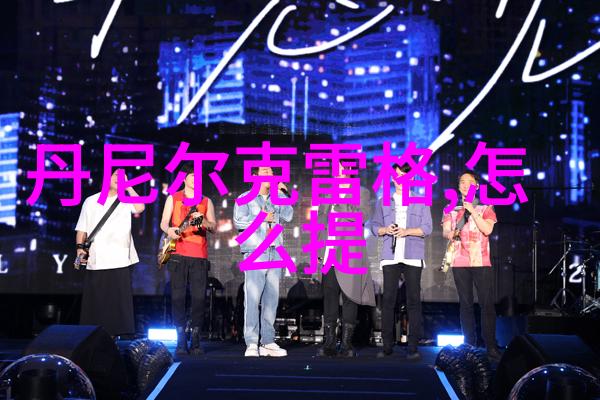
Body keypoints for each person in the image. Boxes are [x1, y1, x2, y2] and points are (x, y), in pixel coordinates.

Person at [370, 163, 432, 360]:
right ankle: (387, 346)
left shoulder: (421, 201)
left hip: (413, 255)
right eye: (396, 175)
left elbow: (427, 228)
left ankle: (412, 347)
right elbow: (374, 226)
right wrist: (385, 230)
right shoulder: (383, 201)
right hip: (390, 255)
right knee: (388, 300)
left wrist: (406, 232)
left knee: (413, 301)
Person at [75, 169, 145, 337]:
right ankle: (94, 337)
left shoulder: (126, 200)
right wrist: (79, 249)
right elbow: (82, 228)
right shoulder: (91, 201)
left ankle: (113, 337)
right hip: (97, 258)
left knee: (117, 303)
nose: (119, 179)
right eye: (115, 175)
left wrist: (128, 187)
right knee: (97, 303)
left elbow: (140, 207)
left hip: (120, 258)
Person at [233, 166, 293, 357]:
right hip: (255, 252)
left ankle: (267, 341)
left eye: (272, 173)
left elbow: (288, 215)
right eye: (265, 172)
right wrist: (261, 217)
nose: (270, 175)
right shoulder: (245, 197)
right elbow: (238, 221)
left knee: (271, 300)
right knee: (252, 298)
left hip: (275, 250)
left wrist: (283, 193)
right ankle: (251, 342)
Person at [442, 171, 501, 360]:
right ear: (458, 186)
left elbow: (487, 229)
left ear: (477, 186)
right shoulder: (451, 208)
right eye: (462, 182)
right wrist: (450, 233)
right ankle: (469, 346)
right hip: (459, 260)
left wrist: (473, 211)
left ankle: (490, 346)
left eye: (469, 182)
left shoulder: (486, 207)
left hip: (481, 261)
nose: (465, 185)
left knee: (486, 304)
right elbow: (445, 232)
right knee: (465, 304)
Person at [317, 167, 376, 358]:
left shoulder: (361, 192)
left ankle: (346, 344)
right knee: (330, 297)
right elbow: (320, 223)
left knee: (350, 298)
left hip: (350, 253)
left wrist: (342, 206)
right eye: (337, 169)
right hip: (329, 253)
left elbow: (363, 216)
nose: (338, 172)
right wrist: (319, 252)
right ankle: (329, 343)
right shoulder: (327, 193)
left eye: (343, 169)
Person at [160, 163, 216, 355]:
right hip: (178, 254)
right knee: (178, 298)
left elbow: (213, 227)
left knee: (199, 298)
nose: (195, 179)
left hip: (199, 255)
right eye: (192, 176)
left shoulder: (206, 201)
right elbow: (164, 223)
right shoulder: (174, 198)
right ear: (184, 179)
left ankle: (196, 338)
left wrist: (204, 221)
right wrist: (169, 230)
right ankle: (181, 339)